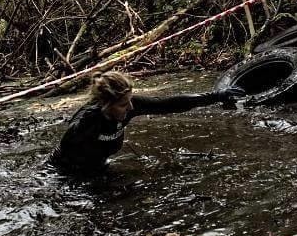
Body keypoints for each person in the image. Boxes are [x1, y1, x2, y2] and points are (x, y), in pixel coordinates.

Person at [50, 70, 245, 175]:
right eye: (123, 105)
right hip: (69, 174)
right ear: (105, 104)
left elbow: (171, 104)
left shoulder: (130, 106)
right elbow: (65, 150)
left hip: (100, 167)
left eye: (130, 102)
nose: (131, 109)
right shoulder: (87, 120)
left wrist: (216, 95)